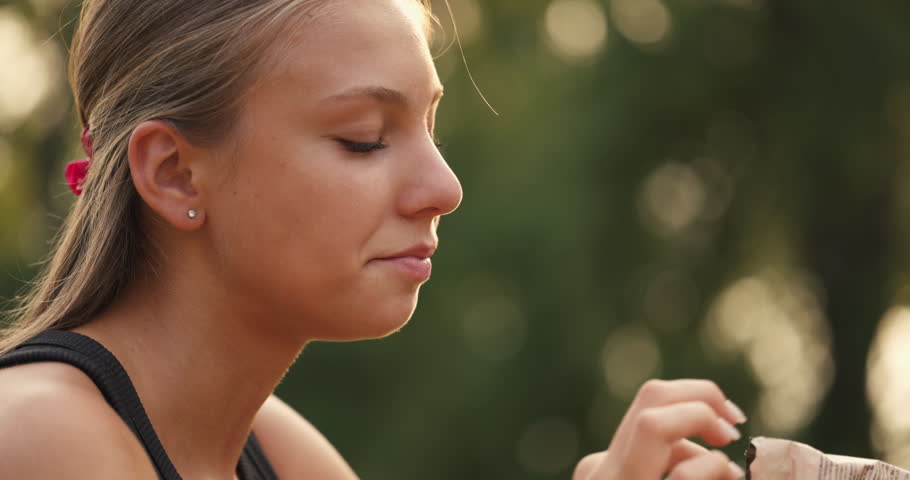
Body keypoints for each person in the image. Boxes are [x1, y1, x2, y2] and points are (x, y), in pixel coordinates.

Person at [0, 1, 749, 479]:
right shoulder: (39, 436)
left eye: (429, 125)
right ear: (174, 174)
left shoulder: (272, 448)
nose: (445, 188)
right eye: (364, 139)